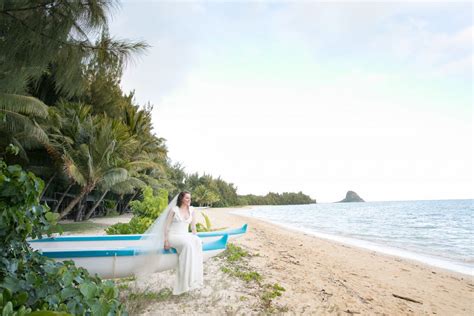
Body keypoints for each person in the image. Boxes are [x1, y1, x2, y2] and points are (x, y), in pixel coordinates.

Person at [163, 191, 203, 295]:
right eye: (187, 198)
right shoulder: (174, 210)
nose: (189, 200)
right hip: (174, 235)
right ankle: (183, 285)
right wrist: (166, 240)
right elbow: (166, 226)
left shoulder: (192, 210)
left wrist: (196, 237)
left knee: (197, 242)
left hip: (185, 234)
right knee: (187, 245)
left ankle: (194, 280)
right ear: (181, 199)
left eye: (190, 198)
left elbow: (193, 227)